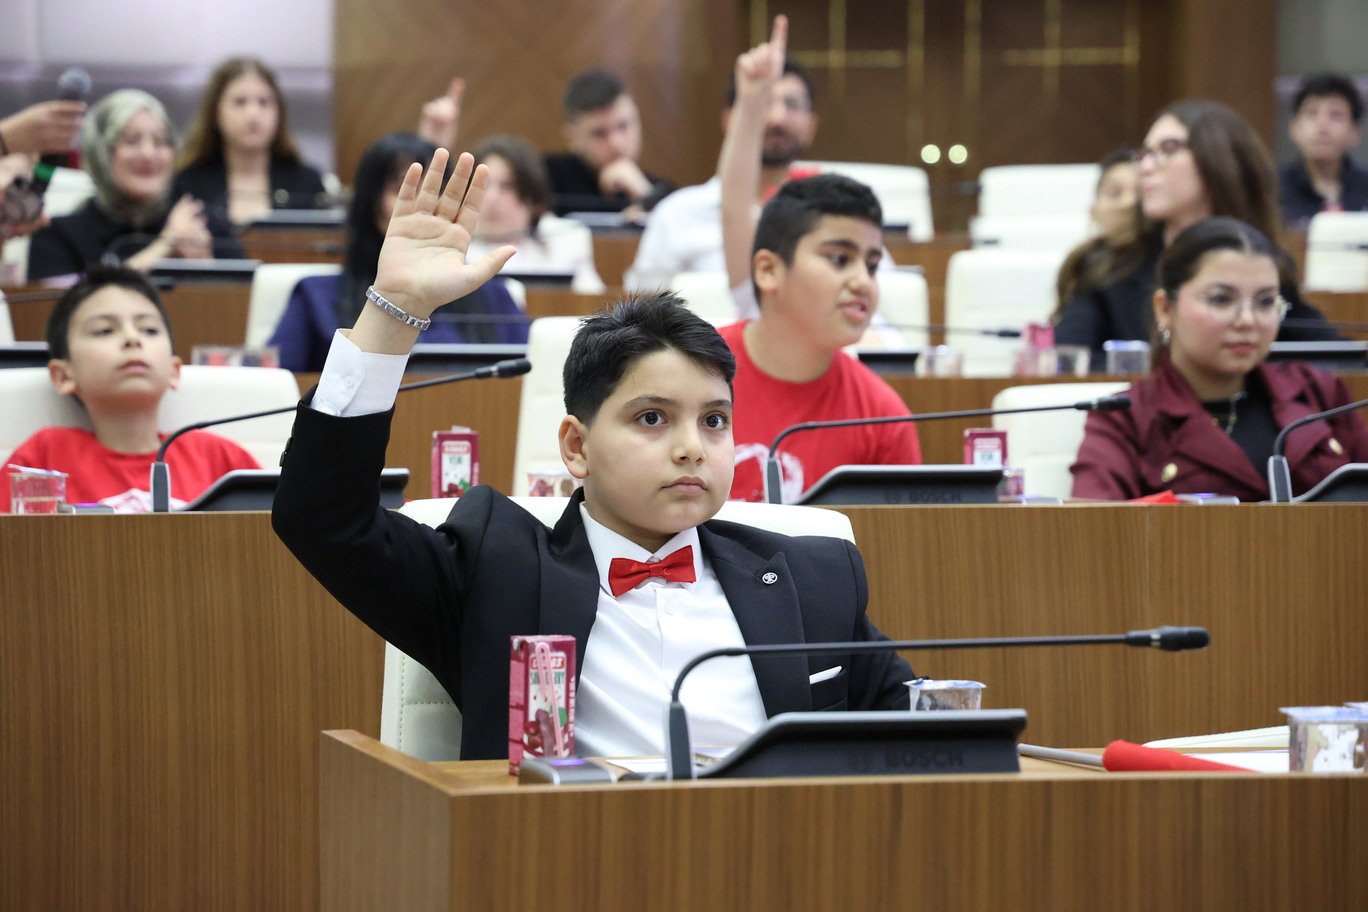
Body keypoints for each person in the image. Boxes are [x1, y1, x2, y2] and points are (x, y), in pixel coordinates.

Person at [271, 148, 914, 760]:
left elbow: (920, 731)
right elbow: (323, 519)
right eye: (653, 418)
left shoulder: (816, 576)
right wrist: (396, 312)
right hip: (566, 859)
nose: (693, 448)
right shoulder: (496, 570)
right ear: (577, 447)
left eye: (715, 421)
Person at [1071, 217, 1368, 502]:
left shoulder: (1319, 393)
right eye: (1221, 299)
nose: (1248, 321)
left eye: (1265, 302)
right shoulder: (1125, 419)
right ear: (1164, 309)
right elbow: (1097, 538)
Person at [1054, 99, 1338, 367]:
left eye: (1167, 148)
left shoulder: (1264, 265)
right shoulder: (1107, 266)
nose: (1145, 168)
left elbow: (1335, 358)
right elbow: (1068, 366)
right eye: (1145, 154)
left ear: (1218, 159)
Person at [4, 266, 259, 512]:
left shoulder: (223, 459)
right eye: (105, 330)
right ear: (62, 376)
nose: (132, 339)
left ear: (174, 370)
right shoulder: (42, 459)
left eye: (149, 329)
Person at [267, 133, 527, 372]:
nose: (426, 205)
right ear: (371, 206)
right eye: (402, 190)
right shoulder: (315, 296)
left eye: (435, 189)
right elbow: (272, 389)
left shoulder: (496, 296)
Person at [624, 46, 818, 292]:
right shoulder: (677, 215)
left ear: (811, 126)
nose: (777, 117)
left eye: (792, 104)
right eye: (763, 103)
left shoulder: (832, 216)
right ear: (730, 121)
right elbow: (640, 317)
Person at [26, 90, 244, 281]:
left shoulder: (202, 224)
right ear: (99, 153)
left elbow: (247, 307)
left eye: (160, 142)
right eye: (132, 141)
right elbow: (58, 310)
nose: (148, 154)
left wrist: (206, 267)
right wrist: (163, 247)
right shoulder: (59, 235)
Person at [174, 57, 328, 224]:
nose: (253, 114)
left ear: (279, 112)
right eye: (240, 102)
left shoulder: (307, 184)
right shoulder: (189, 184)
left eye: (263, 102)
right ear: (215, 113)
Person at [467, 135, 605, 293]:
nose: (491, 198)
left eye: (507, 186)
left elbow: (594, 306)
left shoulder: (566, 245)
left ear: (534, 199)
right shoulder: (457, 255)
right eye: (484, 185)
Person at [542, 70, 674, 217]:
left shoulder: (663, 194)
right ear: (572, 138)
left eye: (624, 126)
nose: (616, 144)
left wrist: (647, 196)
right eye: (599, 133)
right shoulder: (544, 179)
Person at [1053, 148, 1141, 317]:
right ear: (1093, 211)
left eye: (1140, 192)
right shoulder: (1085, 266)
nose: (1130, 202)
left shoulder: (1171, 261)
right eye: (1115, 193)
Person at [1278, 73, 1368, 230]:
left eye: (1335, 116)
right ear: (1294, 128)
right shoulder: (1273, 188)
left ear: (1354, 132)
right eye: (1312, 114)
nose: (1322, 127)